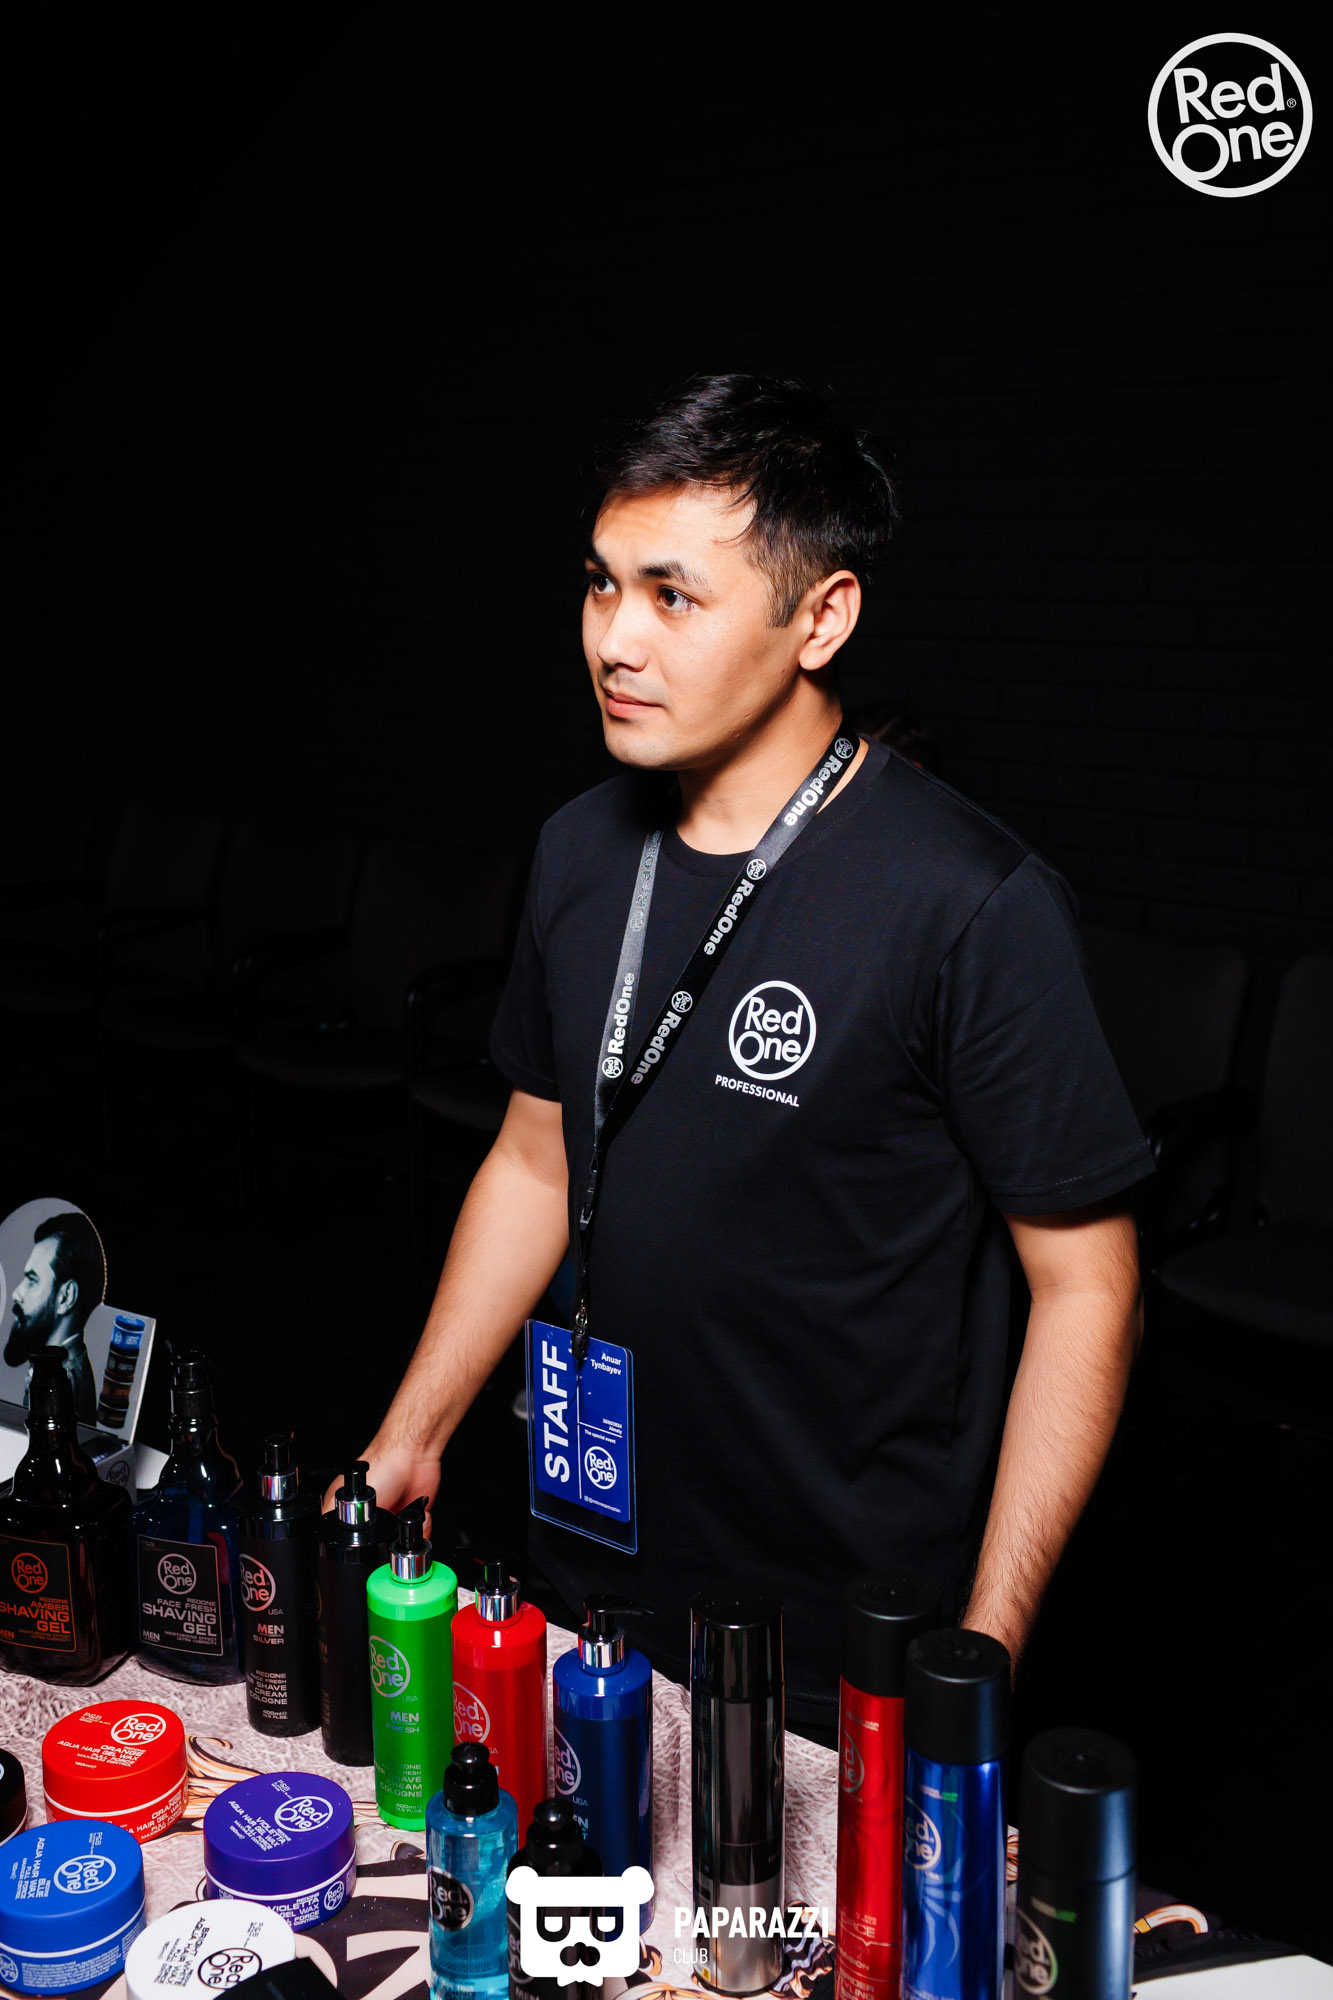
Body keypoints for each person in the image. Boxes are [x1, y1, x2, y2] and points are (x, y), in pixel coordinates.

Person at [352, 373, 1150, 1739]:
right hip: (588, 1548)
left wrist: (988, 1641)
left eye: (673, 596)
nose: (616, 640)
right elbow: (536, 1160)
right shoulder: (576, 850)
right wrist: (411, 1431)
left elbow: (1088, 1288)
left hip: (841, 1616)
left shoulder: (968, 901)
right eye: (601, 585)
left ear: (820, 617)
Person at [5, 1209, 105, 1422]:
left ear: (66, 1296)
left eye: (32, 1280)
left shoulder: (60, 1381)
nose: (16, 1293)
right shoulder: (61, 1368)